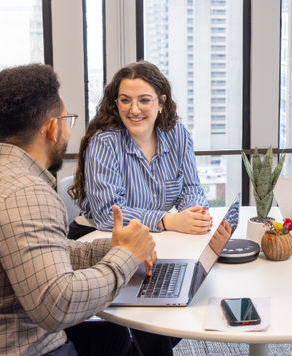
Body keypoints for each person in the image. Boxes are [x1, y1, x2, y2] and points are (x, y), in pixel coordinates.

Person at [0, 64, 210, 356]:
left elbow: (46, 253)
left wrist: (109, 248)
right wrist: (124, 257)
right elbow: (58, 306)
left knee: (116, 338)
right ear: (50, 129)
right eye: (66, 120)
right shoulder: (27, 193)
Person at [68, 61, 211, 240]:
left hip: (152, 237)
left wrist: (195, 215)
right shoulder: (104, 143)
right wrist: (168, 221)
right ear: (116, 103)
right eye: (125, 100)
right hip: (98, 239)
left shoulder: (178, 135)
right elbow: (107, 215)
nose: (134, 110)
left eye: (144, 100)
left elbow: (191, 189)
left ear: (161, 102)